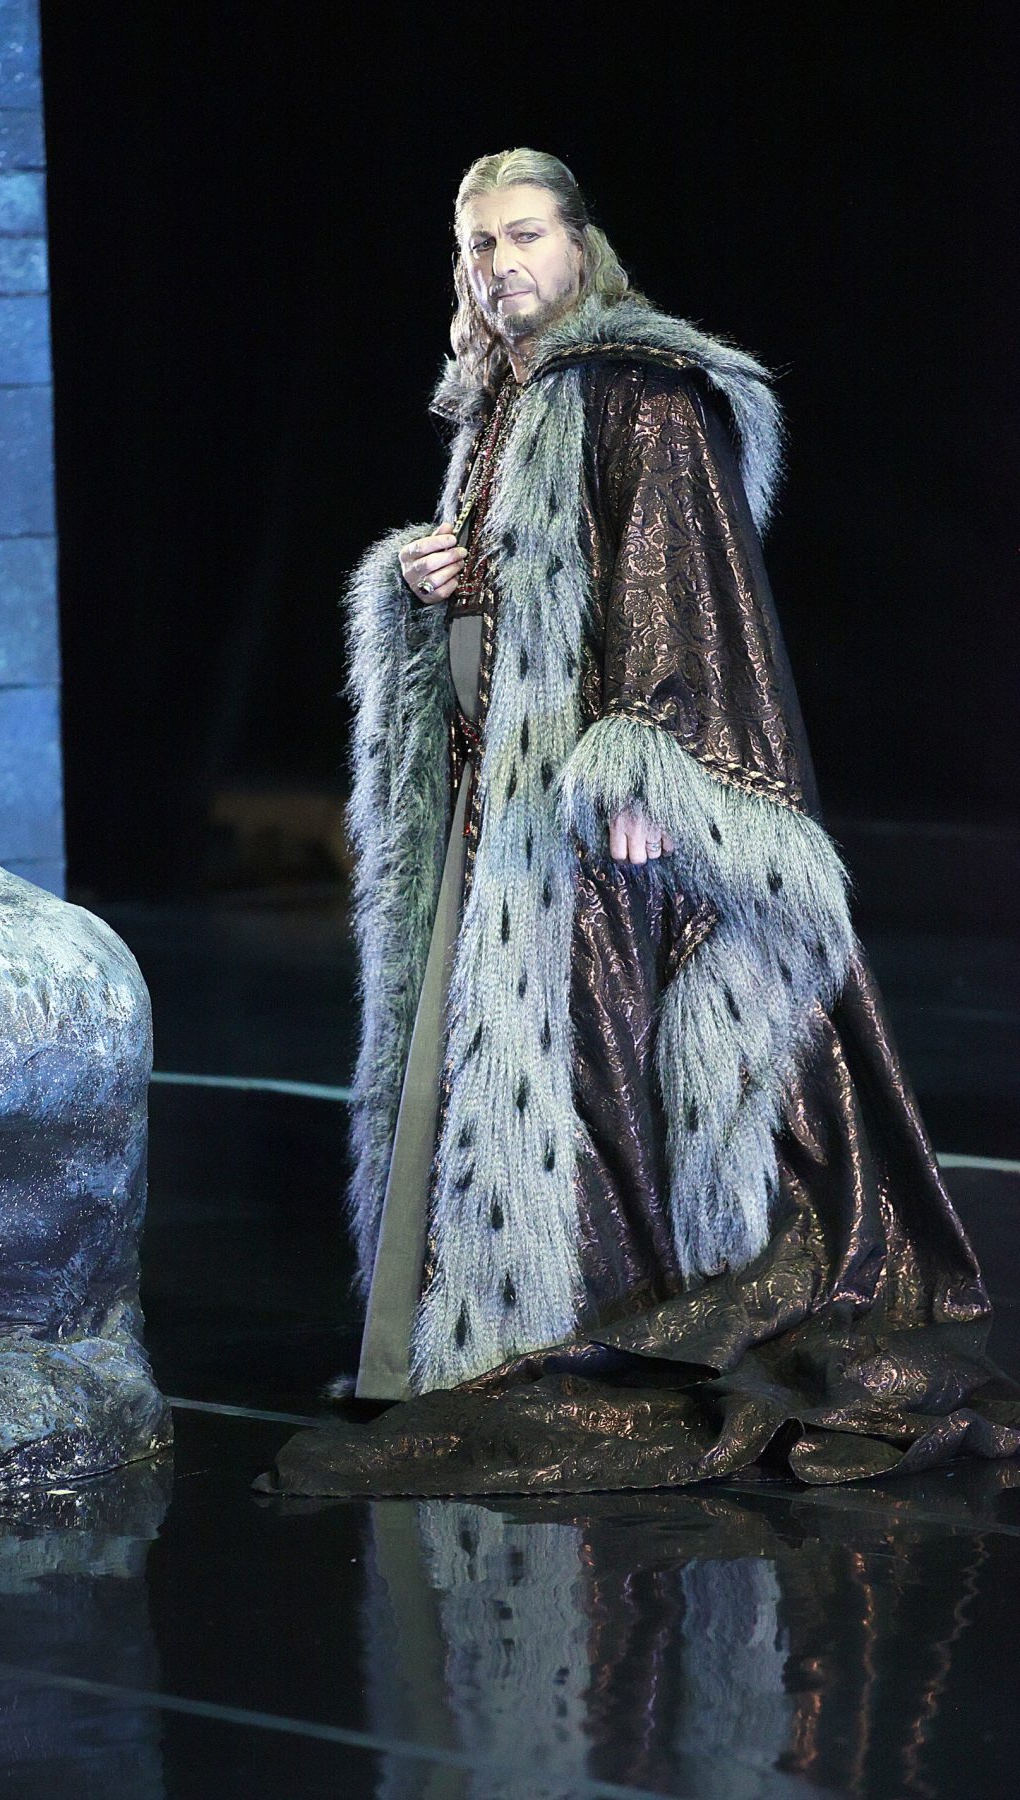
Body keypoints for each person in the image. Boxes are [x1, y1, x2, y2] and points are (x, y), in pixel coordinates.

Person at [257, 148, 1020, 1497]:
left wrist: (644, 766)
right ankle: (476, 1326)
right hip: (497, 797)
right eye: (479, 245)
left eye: (524, 236)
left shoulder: (636, 391)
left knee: (596, 1058)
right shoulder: (504, 398)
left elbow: (681, 587)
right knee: (486, 1055)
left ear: (580, 243)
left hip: (581, 807)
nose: (501, 265)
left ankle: (584, 1318)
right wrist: (418, 585)